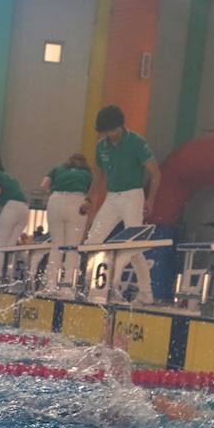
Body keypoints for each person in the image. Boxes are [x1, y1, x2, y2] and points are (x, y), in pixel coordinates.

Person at [89, 105, 158, 301]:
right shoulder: (101, 146)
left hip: (133, 195)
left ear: (121, 126)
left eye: (112, 130)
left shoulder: (136, 142)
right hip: (112, 197)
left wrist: (150, 200)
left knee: (132, 245)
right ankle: (94, 289)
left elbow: (155, 173)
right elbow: (99, 176)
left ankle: (145, 293)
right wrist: (89, 198)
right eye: (106, 131)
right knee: (92, 241)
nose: (109, 134)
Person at [41, 153, 93, 292]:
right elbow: (92, 192)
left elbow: (44, 185)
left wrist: (53, 193)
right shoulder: (87, 173)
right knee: (72, 247)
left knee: (56, 245)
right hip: (77, 202)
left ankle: (50, 285)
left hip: (56, 200)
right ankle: (67, 286)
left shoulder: (58, 169)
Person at [0, 154, 30, 248]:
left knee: (0, 243)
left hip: (11, 207)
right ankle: (10, 263)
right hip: (25, 208)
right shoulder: (10, 177)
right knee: (11, 244)